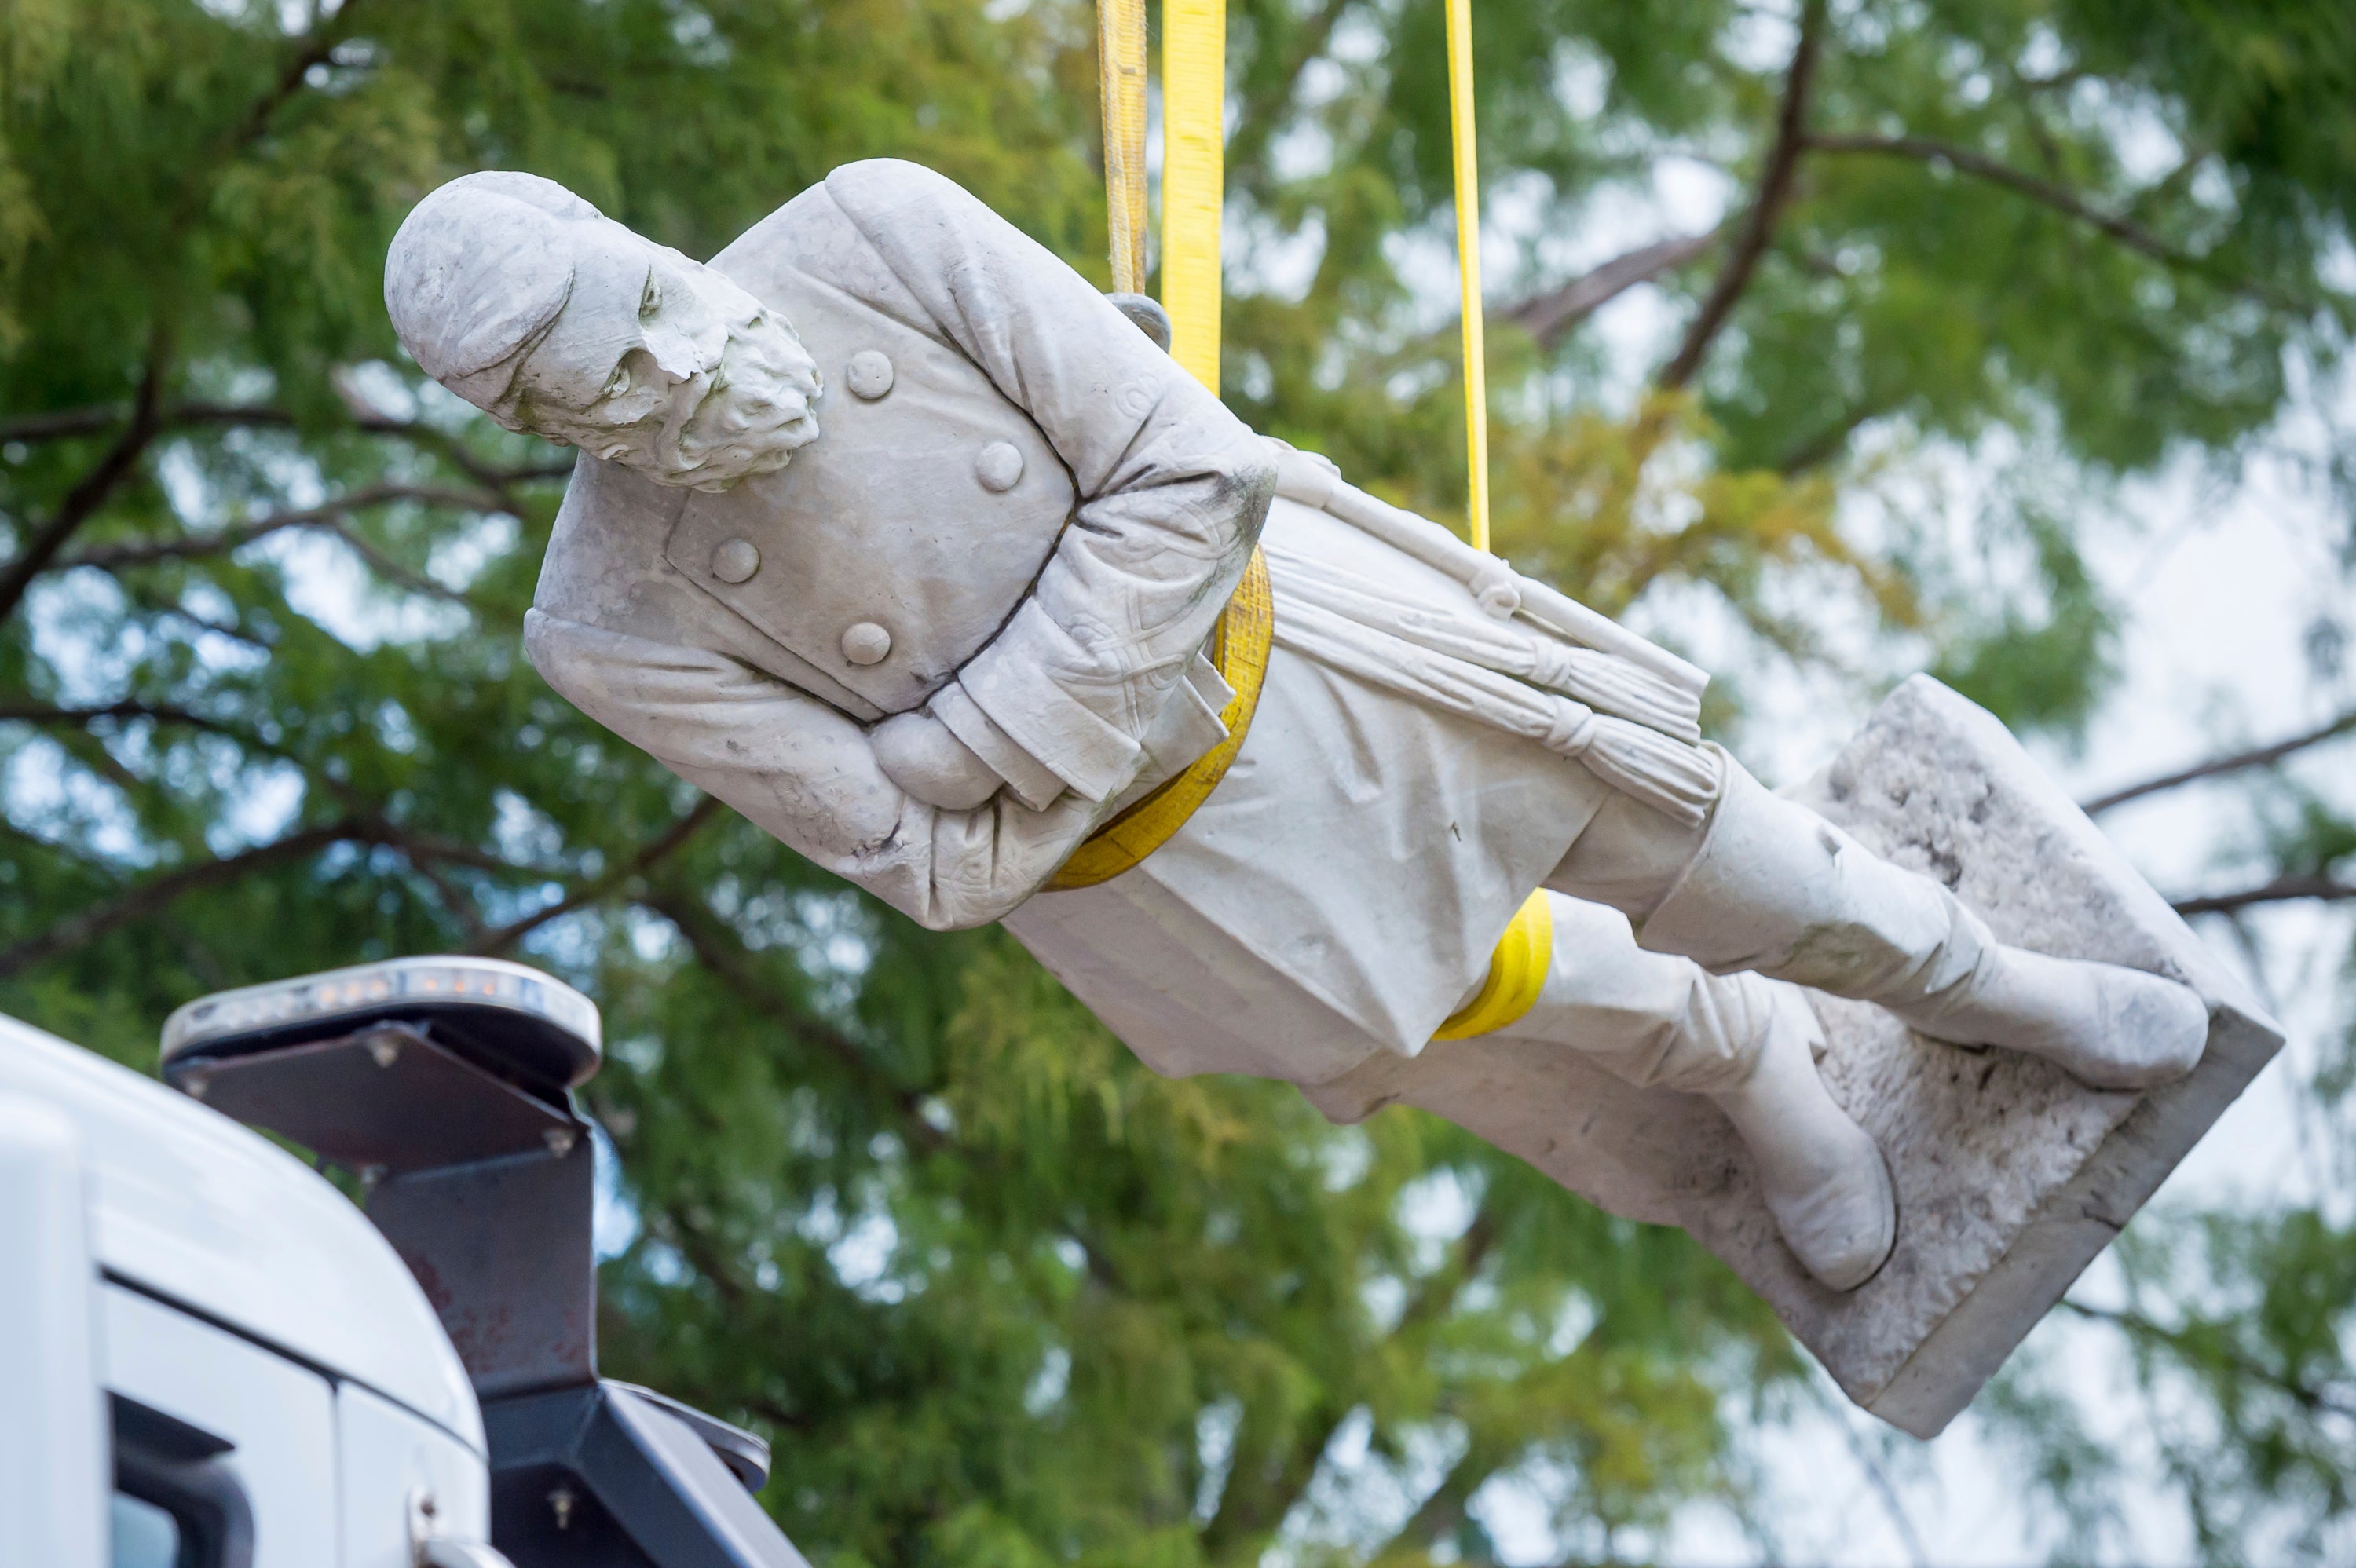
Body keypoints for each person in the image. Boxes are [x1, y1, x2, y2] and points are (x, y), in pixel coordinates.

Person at [383, 161, 2210, 1292]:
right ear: (535, 426)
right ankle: (1748, 1066)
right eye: (589, 394)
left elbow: (1191, 467)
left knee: (1687, 836)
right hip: (1152, 877)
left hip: (1320, 656)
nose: (667, 379)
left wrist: (978, 732)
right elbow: (918, 864)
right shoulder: (605, 620)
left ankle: (1978, 980)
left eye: (640, 318)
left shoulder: (877, 228)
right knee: (1480, 1002)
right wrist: (1072, 695)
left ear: (630, 242)